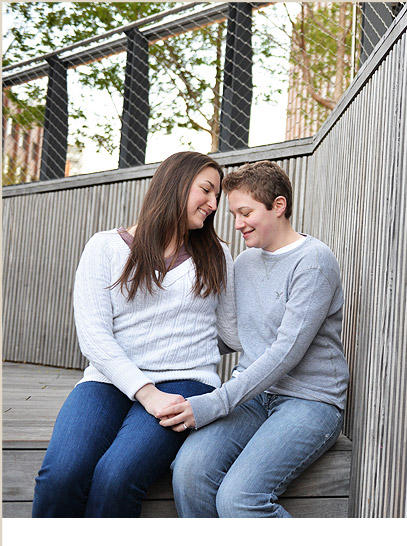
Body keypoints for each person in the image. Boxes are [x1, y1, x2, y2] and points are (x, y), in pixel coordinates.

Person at [31, 151, 240, 518]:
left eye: (217, 197)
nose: (213, 204)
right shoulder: (105, 247)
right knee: (60, 476)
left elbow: (230, 334)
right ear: (174, 184)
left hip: (184, 383)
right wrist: (146, 392)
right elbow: (94, 337)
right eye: (206, 190)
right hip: (108, 381)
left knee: (116, 475)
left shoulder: (218, 255)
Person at [158, 160, 349, 518]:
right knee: (188, 473)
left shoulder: (314, 262)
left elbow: (285, 353)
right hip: (254, 396)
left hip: (309, 400)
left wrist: (213, 403)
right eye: (233, 213)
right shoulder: (244, 264)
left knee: (239, 498)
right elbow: (230, 336)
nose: (237, 224)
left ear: (278, 206)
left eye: (245, 212)